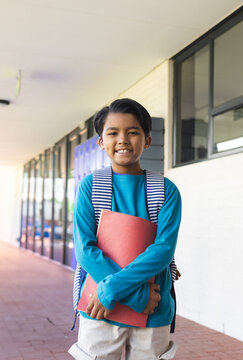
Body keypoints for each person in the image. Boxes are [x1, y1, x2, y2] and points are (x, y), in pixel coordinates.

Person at [68, 98, 182, 360]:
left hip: (152, 310)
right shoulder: (90, 187)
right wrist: (134, 295)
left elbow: (163, 250)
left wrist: (111, 289)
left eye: (133, 132)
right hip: (102, 308)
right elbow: (85, 250)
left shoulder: (166, 191)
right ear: (101, 142)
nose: (123, 140)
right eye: (113, 133)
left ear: (147, 140)